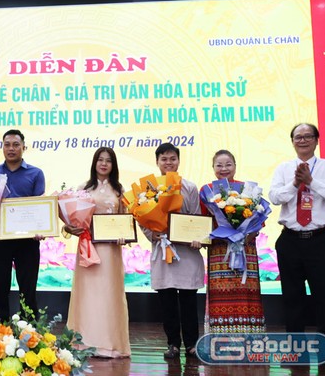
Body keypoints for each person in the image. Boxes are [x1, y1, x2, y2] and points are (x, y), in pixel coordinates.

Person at [269, 123, 325, 369]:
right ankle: (295, 352)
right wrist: (295, 183)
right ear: (292, 141)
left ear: (316, 140)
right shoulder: (283, 168)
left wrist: (311, 181)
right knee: (292, 298)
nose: (302, 140)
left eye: (308, 136)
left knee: (324, 298)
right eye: (298, 137)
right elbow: (275, 197)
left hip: (319, 240)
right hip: (290, 240)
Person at [65, 147, 131, 358]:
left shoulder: (119, 190)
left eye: (108, 161)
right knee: (87, 295)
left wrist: (124, 235)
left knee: (109, 294)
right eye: (100, 160)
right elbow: (73, 220)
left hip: (111, 251)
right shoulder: (83, 189)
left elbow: (126, 220)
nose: (103, 164)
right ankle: (84, 343)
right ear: (94, 163)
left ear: (113, 165)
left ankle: (110, 345)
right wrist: (70, 227)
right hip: (88, 247)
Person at [143, 143, 204, 359]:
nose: (168, 163)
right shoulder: (149, 188)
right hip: (162, 251)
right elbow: (142, 219)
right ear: (157, 162)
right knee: (167, 301)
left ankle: (192, 344)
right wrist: (153, 234)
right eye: (164, 159)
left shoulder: (190, 187)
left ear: (178, 161)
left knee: (188, 301)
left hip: (186, 252)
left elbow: (195, 216)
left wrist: (195, 236)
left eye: (172, 158)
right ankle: (173, 344)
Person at [199, 150, 265, 334]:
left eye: (228, 164)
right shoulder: (206, 190)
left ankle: (250, 334)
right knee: (221, 293)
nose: (224, 168)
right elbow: (202, 221)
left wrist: (243, 237)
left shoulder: (247, 189)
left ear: (235, 166)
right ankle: (219, 334)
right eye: (219, 165)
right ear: (213, 168)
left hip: (245, 247)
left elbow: (259, 221)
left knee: (246, 291)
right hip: (219, 249)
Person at [0, 129, 45, 321]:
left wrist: (41, 228)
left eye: (16, 145)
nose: (11, 148)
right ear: (2, 147)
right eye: (7, 144)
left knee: (28, 288)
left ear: (24, 147)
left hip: (27, 239)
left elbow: (40, 206)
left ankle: (30, 331)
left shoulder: (36, 173)